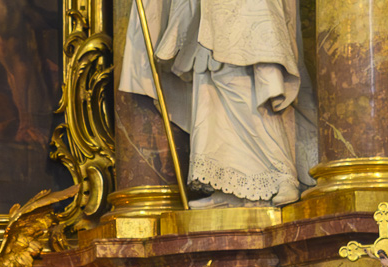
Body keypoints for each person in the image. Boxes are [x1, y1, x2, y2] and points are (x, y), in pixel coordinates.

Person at [117, 0, 317, 207]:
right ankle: (230, 188)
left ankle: (281, 175)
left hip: (248, 12)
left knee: (246, 80)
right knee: (209, 86)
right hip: (207, 14)